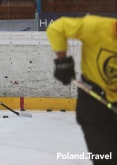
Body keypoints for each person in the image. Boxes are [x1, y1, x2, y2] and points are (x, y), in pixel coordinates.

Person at [46, 15, 117, 165]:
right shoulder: (95, 26)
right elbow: (56, 28)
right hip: (95, 106)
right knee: (106, 159)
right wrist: (62, 60)